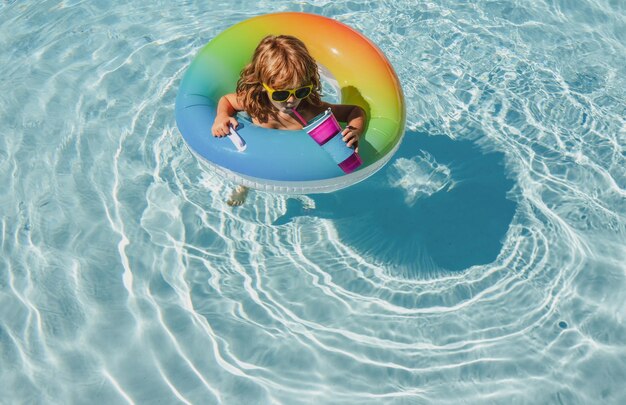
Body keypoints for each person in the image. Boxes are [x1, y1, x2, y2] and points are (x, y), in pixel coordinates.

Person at [211, 35, 366, 206]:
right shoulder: (256, 105)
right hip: (259, 156)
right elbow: (227, 100)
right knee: (247, 170)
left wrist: (354, 130)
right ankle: (244, 187)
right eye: (281, 94)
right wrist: (222, 116)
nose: (291, 100)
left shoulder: (310, 109)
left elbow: (354, 110)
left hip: (298, 166)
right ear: (263, 85)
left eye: (300, 92)